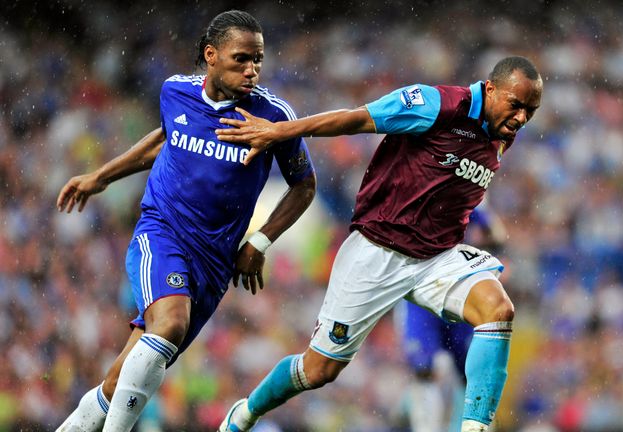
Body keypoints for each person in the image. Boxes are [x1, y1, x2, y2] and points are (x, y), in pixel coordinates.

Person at [216, 56, 543, 432]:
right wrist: (280, 132)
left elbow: (457, 183)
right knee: (319, 369)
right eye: (515, 105)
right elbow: (357, 118)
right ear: (490, 89)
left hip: (438, 257)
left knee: (498, 309)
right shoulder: (436, 104)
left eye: (530, 111)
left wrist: (486, 222)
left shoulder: (502, 133)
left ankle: (476, 427)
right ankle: (245, 414)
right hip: (376, 250)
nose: (521, 118)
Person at [55, 10, 316, 431]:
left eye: (258, 60)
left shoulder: (274, 117)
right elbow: (164, 139)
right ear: (211, 55)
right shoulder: (175, 92)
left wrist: (261, 241)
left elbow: (304, 186)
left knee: (120, 379)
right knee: (171, 322)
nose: (252, 70)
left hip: (214, 263)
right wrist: (100, 177)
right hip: (163, 232)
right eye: (241, 59)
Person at [398, 206, 506, 432]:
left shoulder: (464, 196)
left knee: (472, 373)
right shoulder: (414, 193)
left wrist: (483, 242)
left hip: (457, 292)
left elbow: (496, 235)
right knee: (425, 369)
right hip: (421, 294)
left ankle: (478, 425)